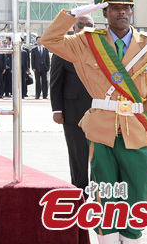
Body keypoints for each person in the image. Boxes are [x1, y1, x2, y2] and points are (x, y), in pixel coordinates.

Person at [39, 0, 147, 244]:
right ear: (104, 13)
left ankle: (131, 238)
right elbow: (49, 40)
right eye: (115, 8)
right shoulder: (86, 42)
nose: (122, 12)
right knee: (104, 191)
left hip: (136, 129)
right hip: (102, 130)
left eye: (127, 8)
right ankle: (107, 239)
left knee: (137, 190)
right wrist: (73, 14)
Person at [49, 14, 94, 192]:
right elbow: (55, 82)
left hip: (99, 112)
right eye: (80, 25)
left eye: (89, 24)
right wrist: (57, 110)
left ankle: (98, 192)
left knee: (100, 156)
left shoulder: (102, 49)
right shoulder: (64, 49)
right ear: (73, 28)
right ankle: (80, 191)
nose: (84, 28)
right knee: (78, 154)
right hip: (73, 112)